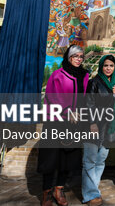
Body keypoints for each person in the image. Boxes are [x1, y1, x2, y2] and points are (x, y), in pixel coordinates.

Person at [39, 45, 89, 206]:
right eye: (75, 56)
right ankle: (46, 191)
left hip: (75, 125)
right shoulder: (58, 75)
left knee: (67, 160)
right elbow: (52, 97)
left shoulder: (85, 76)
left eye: (81, 56)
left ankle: (58, 189)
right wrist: (68, 112)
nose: (79, 59)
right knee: (51, 159)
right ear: (69, 57)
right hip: (56, 122)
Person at [82, 55, 115, 206]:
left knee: (101, 160)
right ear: (101, 66)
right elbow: (89, 104)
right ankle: (89, 195)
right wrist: (92, 123)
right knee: (89, 160)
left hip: (109, 128)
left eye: (111, 66)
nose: (108, 68)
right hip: (95, 125)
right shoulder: (94, 83)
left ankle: (93, 189)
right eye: (106, 65)